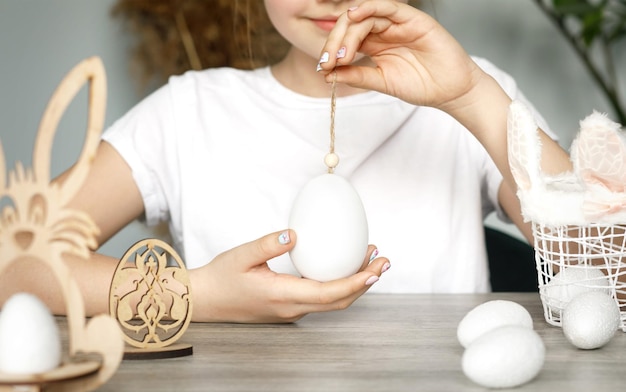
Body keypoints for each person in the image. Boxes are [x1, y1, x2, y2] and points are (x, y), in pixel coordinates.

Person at [1, 0, 571, 322]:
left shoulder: (473, 94)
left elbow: (609, 270)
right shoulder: (188, 111)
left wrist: (470, 98)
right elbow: (10, 263)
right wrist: (196, 293)